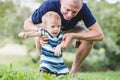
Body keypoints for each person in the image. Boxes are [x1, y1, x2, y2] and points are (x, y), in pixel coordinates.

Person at [23, 0, 104, 75]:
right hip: (50, 30)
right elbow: (27, 23)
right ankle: (45, 66)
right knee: (37, 35)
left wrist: (73, 35)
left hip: (72, 29)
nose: (70, 15)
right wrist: (38, 31)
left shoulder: (84, 8)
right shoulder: (49, 4)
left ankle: (73, 73)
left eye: (74, 12)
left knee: (89, 38)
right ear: (61, 1)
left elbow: (99, 35)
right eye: (67, 10)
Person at [18, 11, 69, 76]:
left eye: (58, 26)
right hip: (47, 60)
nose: (56, 29)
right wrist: (26, 34)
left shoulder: (60, 35)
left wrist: (59, 46)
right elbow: (35, 33)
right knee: (44, 69)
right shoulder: (44, 33)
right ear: (45, 27)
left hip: (58, 61)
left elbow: (63, 42)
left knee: (63, 73)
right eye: (53, 26)